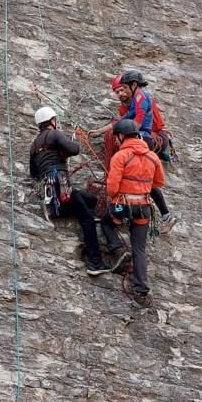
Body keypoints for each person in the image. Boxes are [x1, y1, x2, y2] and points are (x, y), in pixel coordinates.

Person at [29, 105, 117, 277]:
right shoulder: (54, 134)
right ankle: (95, 262)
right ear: (52, 121)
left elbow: (33, 172)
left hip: (48, 191)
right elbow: (74, 149)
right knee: (88, 219)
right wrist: (64, 152)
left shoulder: (34, 145)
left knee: (90, 199)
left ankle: (65, 210)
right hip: (61, 183)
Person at [96, 71, 176, 232]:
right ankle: (163, 215)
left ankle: (164, 214)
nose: (121, 93)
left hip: (148, 138)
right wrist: (98, 131)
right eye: (117, 91)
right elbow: (121, 121)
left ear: (132, 86)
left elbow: (137, 122)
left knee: (145, 180)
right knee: (142, 179)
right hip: (141, 139)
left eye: (123, 89)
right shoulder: (126, 107)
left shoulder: (142, 98)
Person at [100, 118, 166, 306]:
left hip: (122, 205)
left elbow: (112, 187)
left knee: (106, 222)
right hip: (143, 207)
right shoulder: (152, 156)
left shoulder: (120, 156)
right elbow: (159, 182)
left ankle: (118, 249)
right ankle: (141, 291)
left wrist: (115, 196)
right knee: (139, 249)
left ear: (121, 136)